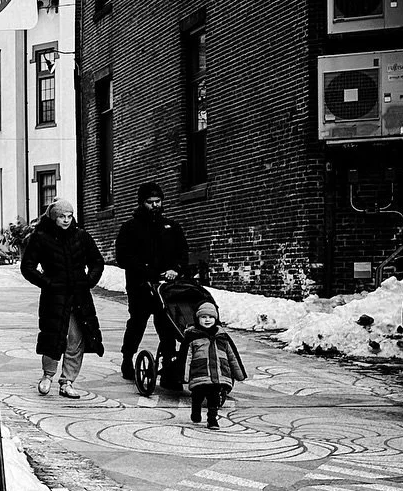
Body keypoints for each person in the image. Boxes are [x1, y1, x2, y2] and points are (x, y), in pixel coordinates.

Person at [19, 197, 106, 398]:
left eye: (69, 216)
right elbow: (28, 267)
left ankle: (67, 381)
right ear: (53, 217)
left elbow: (97, 262)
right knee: (54, 335)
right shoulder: (41, 237)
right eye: (61, 216)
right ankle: (47, 375)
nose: (66, 220)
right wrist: (48, 283)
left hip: (79, 296)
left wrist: (88, 281)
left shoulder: (81, 236)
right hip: (55, 296)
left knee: (76, 338)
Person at [113, 181, 191, 381]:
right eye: (150, 202)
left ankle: (169, 364)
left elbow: (183, 253)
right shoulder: (130, 228)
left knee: (168, 325)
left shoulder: (171, 227)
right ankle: (127, 358)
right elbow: (123, 257)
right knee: (137, 323)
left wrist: (176, 269)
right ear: (142, 203)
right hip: (141, 285)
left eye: (158, 201)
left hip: (167, 286)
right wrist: (145, 271)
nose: (155, 205)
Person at [176, 300, 247, 429]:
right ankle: (196, 411)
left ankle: (212, 420)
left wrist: (239, 374)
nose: (207, 320)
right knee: (197, 396)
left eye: (211, 317)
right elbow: (186, 357)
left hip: (218, 375)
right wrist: (184, 376)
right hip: (200, 373)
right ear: (197, 319)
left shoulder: (222, 337)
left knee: (214, 398)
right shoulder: (192, 337)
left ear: (216, 319)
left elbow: (232, 356)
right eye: (203, 317)